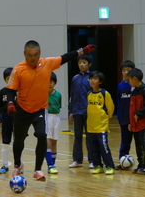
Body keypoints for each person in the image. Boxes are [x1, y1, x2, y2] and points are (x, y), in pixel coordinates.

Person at [6, 40, 97, 181]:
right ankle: (17, 165)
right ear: (24, 54)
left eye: (35, 55)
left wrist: (82, 50)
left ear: (40, 53)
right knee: (18, 140)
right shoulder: (18, 69)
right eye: (29, 55)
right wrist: (10, 103)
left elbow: (64, 58)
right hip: (22, 109)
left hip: (40, 109)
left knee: (42, 135)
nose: (33, 58)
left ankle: (37, 170)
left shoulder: (47, 63)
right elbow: (10, 90)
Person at [86, 71, 115, 175]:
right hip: (91, 127)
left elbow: (110, 107)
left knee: (103, 147)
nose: (92, 81)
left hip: (101, 126)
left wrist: (107, 117)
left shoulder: (104, 93)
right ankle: (98, 166)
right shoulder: (89, 94)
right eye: (91, 79)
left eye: (95, 79)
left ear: (100, 82)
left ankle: (110, 166)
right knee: (93, 148)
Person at [127, 68, 145, 175]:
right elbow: (131, 109)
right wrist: (130, 122)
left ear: (134, 79)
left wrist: (138, 113)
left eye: (129, 79)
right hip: (135, 125)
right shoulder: (134, 92)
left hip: (143, 124)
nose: (129, 82)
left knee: (144, 146)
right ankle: (140, 165)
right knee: (138, 146)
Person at [68, 53, 93, 168]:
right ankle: (77, 160)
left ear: (89, 64)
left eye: (84, 62)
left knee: (90, 137)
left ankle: (92, 160)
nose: (81, 65)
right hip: (77, 111)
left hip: (89, 112)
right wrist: (71, 111)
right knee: (77, 137)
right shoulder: (75, 78)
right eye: (79, 63)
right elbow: (72, 95)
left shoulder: (92, 78)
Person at [0, 68, 15, 174]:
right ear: (5, 79)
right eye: (8, 78)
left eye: (12, 78)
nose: (10, 80)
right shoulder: (3, 92)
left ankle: (19, 165)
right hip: (6, 118)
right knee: (5, 142)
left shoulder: (20, 90)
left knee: (19, 142)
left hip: (18, 119)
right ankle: (5, 165)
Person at [115, 60, 135, 163]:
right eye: (124, 70)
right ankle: (122, 161)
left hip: (136, 119)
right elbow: (119, 102)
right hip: (124, 119)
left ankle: (143, 164)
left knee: (139, 142)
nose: (126, 72)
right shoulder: (120, 86)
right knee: (125, 141)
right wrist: (119, 116)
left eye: (128, 70)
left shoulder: (137, 85)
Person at [46, 72, 61, 174]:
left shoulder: (58, 94)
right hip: (46, 117)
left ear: (54, 83)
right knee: (47, 142)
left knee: (54, 142)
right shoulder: (42, 94)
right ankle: (50, 164)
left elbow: (59, 106)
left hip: (56, 118)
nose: (49, 84)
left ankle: (53, 164)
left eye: (51, 82)